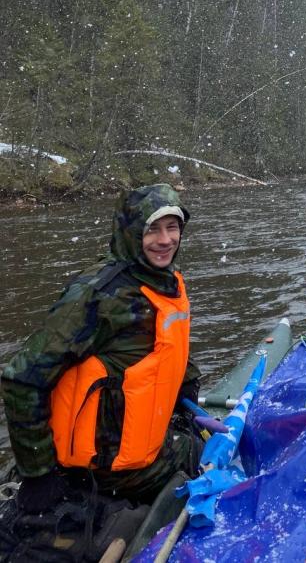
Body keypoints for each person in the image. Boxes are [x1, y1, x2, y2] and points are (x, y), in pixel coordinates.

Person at [1, 183, 202, 514]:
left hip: (137, 442)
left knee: (192, 437)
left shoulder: (163, 279)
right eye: (153, 229)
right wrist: (39, 473)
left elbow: (163, 345)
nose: (165, 240)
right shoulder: (98, 296)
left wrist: (186, 382)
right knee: (205, 452)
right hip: (110, 468)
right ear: (131, 232)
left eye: (173, 227)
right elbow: (21, 377)